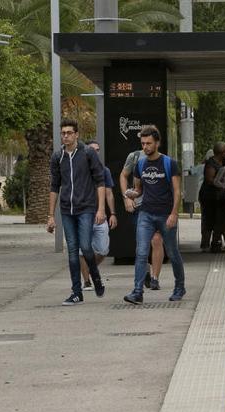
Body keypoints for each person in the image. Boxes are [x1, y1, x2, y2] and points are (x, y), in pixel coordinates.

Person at [45, 119, 106, 305]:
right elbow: (54, 186)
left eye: (69, 132)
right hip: (66, 211)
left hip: (86, 208)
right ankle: (76, 292)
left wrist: (101, 209)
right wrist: (50, 216)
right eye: (63, 133)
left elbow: (100, 181)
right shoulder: (57, 157)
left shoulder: (87, 153)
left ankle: (95, 276)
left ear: (77, 134)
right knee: (72, 251)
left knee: (86, 247)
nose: (66, 136)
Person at [123, 125, 186, 304]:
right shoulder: (140, 164)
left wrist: (174, 214)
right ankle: (137, 291)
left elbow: (176, 191)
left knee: (173, 253)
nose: (145, 147)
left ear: (157, 143)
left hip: (165, 214)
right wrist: (132, 194)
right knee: (141, 252)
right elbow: (138, 189)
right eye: (143, 143)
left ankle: (179, 286)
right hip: (146, 214)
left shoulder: (169, 163)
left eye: (149, 143)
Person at [121, 148, 165, 289]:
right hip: (140, 206)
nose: (147, 145)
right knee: (142, 243)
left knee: (157, 240)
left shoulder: (164, 160)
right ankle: (145, 272)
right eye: (144, 142)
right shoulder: (134, 157)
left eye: (150, 142)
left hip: (157, 206)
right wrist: (126, 198)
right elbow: (123, 175)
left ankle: (155, 278)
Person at [79, 140, 118, 291]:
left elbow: (109, 193)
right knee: (83, 250)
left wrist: (112, 213)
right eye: (92, 149)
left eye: (98, 150)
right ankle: (87, 281)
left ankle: (90, 269)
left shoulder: (104, 170)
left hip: (100, 216)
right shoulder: (79, 170)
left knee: (103, 250)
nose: (96, 152)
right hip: (83, 215)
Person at [200, 142, 225, 251]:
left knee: (219, 220)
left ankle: (216, 243)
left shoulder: (222, 162)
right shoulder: (211, 164)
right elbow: (210, 179)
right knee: (208, 220)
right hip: (209, 197)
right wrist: (223, 185)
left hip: (219, 197)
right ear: (220, 153)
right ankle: (205, 244)